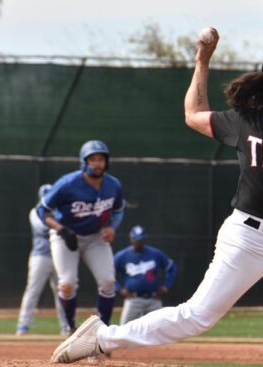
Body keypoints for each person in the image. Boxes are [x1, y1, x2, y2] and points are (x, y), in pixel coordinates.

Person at [51, 29, 263, 367]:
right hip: (246, 239)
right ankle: (102, 338)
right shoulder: (243, 122)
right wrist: (203, 59)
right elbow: (192, 114)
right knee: (196, 316)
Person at [40, 140, 125, 333]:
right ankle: (71, 328)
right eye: (92, 159)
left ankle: (102, 332)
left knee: (108, 282)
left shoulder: (113, 185)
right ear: (83, 162)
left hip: (95, 237)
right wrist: (61, 230)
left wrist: (112, 227)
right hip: (66, 236)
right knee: (67, 283)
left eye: (101, 159)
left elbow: (118, 210)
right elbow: (43, 211)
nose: (97, 163)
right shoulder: (68, 183)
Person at [16, 184, 68, 336]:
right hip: (41, 256)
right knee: (33, 291)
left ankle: (66, 327)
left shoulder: (60, 212)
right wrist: (60, 226)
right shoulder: (35, 212)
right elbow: (44, 229)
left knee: (63, 292)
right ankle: (23, 326)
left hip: (60, 256)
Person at [114, 225, 177, 325]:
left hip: (154, 299)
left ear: (144, 239)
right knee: (124, 331)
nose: (138, 242)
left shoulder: (155, 254)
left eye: (141, 239)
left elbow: (171, 267)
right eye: (136, 239)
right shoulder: (122, 256)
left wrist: (166, 287)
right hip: (133, 299)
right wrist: (119, 289)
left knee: (160, 329)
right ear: (130, 238)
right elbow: (109, 274)